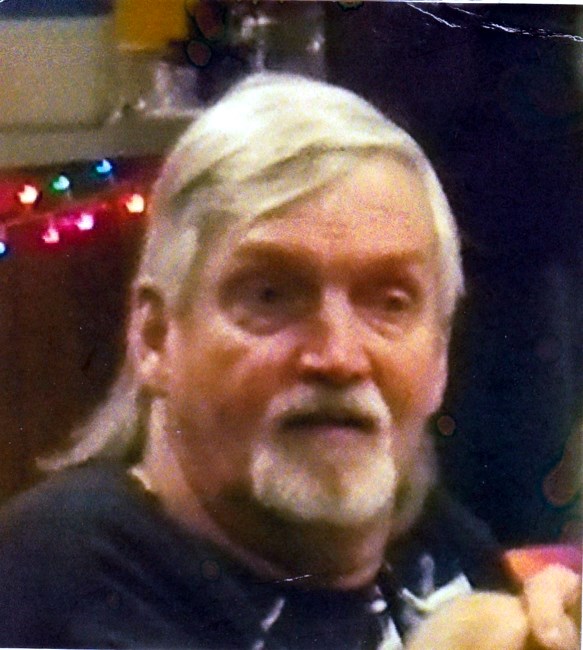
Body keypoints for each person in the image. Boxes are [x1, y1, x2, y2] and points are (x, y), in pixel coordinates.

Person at [0, 73, 578, 650]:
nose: (338, 357)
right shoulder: (64, 575)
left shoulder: (427, 535)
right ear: (155, 336)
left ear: (441, 356)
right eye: (271, 296)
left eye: (390, 303)